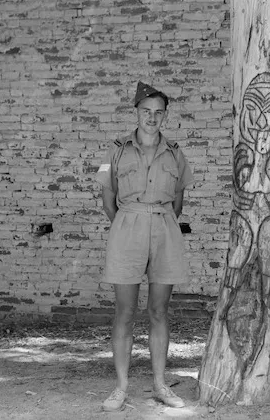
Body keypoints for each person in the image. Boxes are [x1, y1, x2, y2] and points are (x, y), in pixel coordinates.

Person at [96, 81, 194, 412]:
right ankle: (120, 387)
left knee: (158, 310)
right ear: (136, 113)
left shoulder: (176, 153)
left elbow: (178, 201)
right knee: (125, 311)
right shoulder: (116, 151)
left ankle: (160, 384)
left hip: (165, 228)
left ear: (165, 116)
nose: (151, 118)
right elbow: (108, 199)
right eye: (145, 112)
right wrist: (129, 224)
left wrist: (157, 221)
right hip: (127, 227)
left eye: (158, 113)